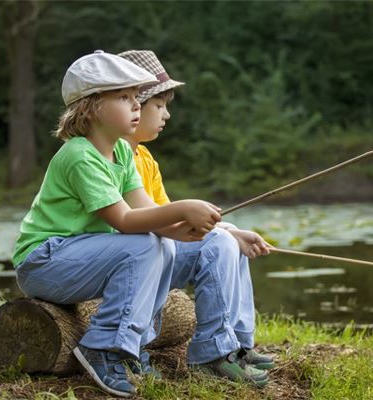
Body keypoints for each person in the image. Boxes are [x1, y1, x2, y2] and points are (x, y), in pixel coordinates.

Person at [12, 50, 221, 398]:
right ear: (91, 107)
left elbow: (144, 210)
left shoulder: (123, 153)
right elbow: (125, 221)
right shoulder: (80, 155)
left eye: (135, 96)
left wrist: (178, 229)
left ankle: (132, 345)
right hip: (43, 263)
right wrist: (183, 207)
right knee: (142, 244)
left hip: (78, 258)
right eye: (124, 97)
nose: (137, 104)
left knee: (162, 244)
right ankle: (102, 346)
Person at [118, 50, 274, 388]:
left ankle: (238, 343)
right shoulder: (111, 156)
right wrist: (218, 234)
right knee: (218, 242)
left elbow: (169, 222)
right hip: (132, 262)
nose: (166, 115)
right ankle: (212, 355)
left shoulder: (144, 158)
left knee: (227, 239)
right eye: (158, 105)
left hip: (157, 254)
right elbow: (139, 222)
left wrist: (230, 230)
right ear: (131, 104)